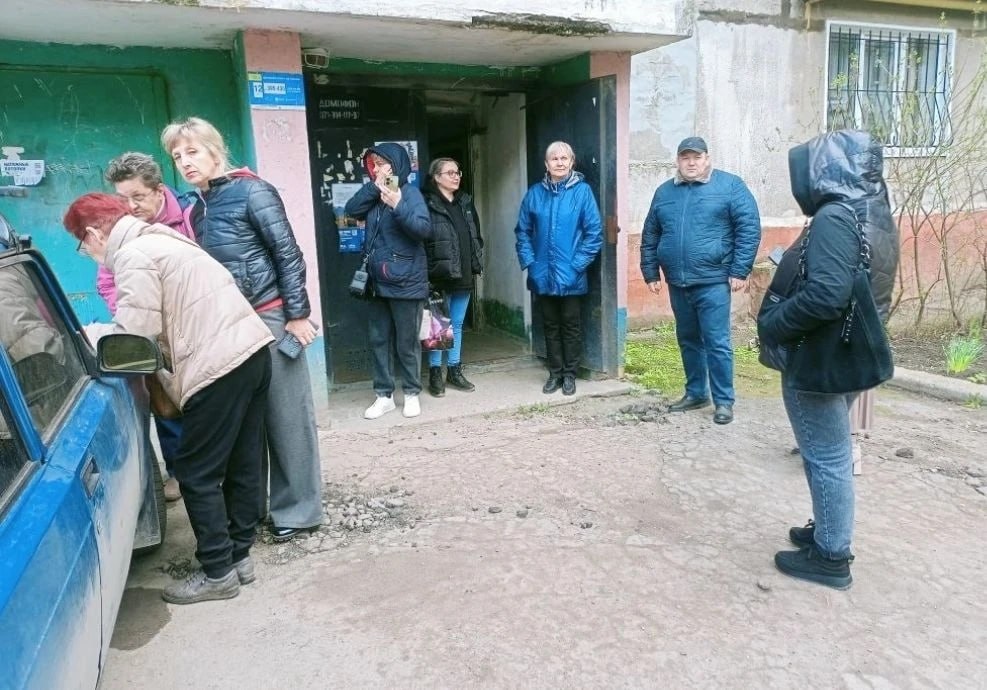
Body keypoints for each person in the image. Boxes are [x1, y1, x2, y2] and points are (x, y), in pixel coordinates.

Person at [63, 193, 273, 604]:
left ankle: (217, 572)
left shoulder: (133, 256)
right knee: (242, 462)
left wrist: (91, 336)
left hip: (217, 365)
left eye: (82, 245)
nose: (88, 254)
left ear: (93, 233)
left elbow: (133, 337)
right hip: (251, 351)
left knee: (195, 471)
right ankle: (239, 557)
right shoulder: (163, 238)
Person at [161, 117, 323, 543]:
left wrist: (297, 315)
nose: (185, 162)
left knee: (287, 417)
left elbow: (288, 253)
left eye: (192, 151)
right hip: (230, 325)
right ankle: (256, 508)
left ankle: (299, 510)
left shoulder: (254, 191)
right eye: (177, 156)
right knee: (248, 422)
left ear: (215, 151)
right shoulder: (198, 209)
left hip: (271, 317)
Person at [759, 130, 896, 590]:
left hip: (820, 357)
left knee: (827, 457)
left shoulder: (835, 216)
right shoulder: (871, 208)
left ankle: (832, 555)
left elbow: (826, 295)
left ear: (825, 171)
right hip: (847, 351)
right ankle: (827, 528)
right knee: (827, 453)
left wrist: (774, 324)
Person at [639, 136, 761, 425]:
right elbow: (651, 233)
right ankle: (696, 393)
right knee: (688, 340)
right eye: (685, 158)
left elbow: (749, 228)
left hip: (713, 280)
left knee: (717, 342)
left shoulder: (730, 186)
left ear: (707, 159)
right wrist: (650, 272)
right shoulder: (664, 192)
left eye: (697, 157)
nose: (691, 163)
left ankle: (724, 401)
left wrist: (739, 270)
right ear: (678, 161)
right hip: (678, 281)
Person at [103, 151, 193, 502]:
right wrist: (134, 311)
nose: (130, 206)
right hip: (155, 334)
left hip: (192, 329)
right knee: (165, 405)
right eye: (122, 198)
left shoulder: (189, 216)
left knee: (204, 403)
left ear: (158, 190)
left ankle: (213, 472)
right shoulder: (120, 229)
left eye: (138, 197)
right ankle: (179, 473)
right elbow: (107, 281)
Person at [343, 143, 431, 419]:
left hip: (406, 281)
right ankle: (384, 396)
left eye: (383, 163)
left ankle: (412, 393)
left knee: (407, 343)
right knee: (379, 340)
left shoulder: (411, 193)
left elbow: (423, 229)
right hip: (376, 282)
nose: (378, 168)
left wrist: (398, 205)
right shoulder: (374, 193)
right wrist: (375, 187)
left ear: (397, 165)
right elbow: (351, 209)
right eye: (374, 164)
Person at [515, 141, 603, 396]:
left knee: (571, 325)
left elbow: (594, 233)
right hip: (542, 273)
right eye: (554, 158)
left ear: (572, 162)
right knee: (550, 325)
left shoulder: (582, 192)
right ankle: (554, 373)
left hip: (571, 274)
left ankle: (570, 375)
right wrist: (531, 263)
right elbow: (522, 231)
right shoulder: (535, 193)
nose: (560, 162)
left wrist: (577, 265)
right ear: (546, 164)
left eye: (565, 158)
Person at [423, 157, 484, 397]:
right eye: (450, 173)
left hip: (464, 272)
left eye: (457, 172)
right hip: (438, 275)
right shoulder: (427, 203)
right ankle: (435, 373)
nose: (456, 176)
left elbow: (476, 235)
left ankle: (454, 370)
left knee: (456, 323)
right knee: (439, 325)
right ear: (436, 177)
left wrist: (476, 260)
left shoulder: (465, 202)